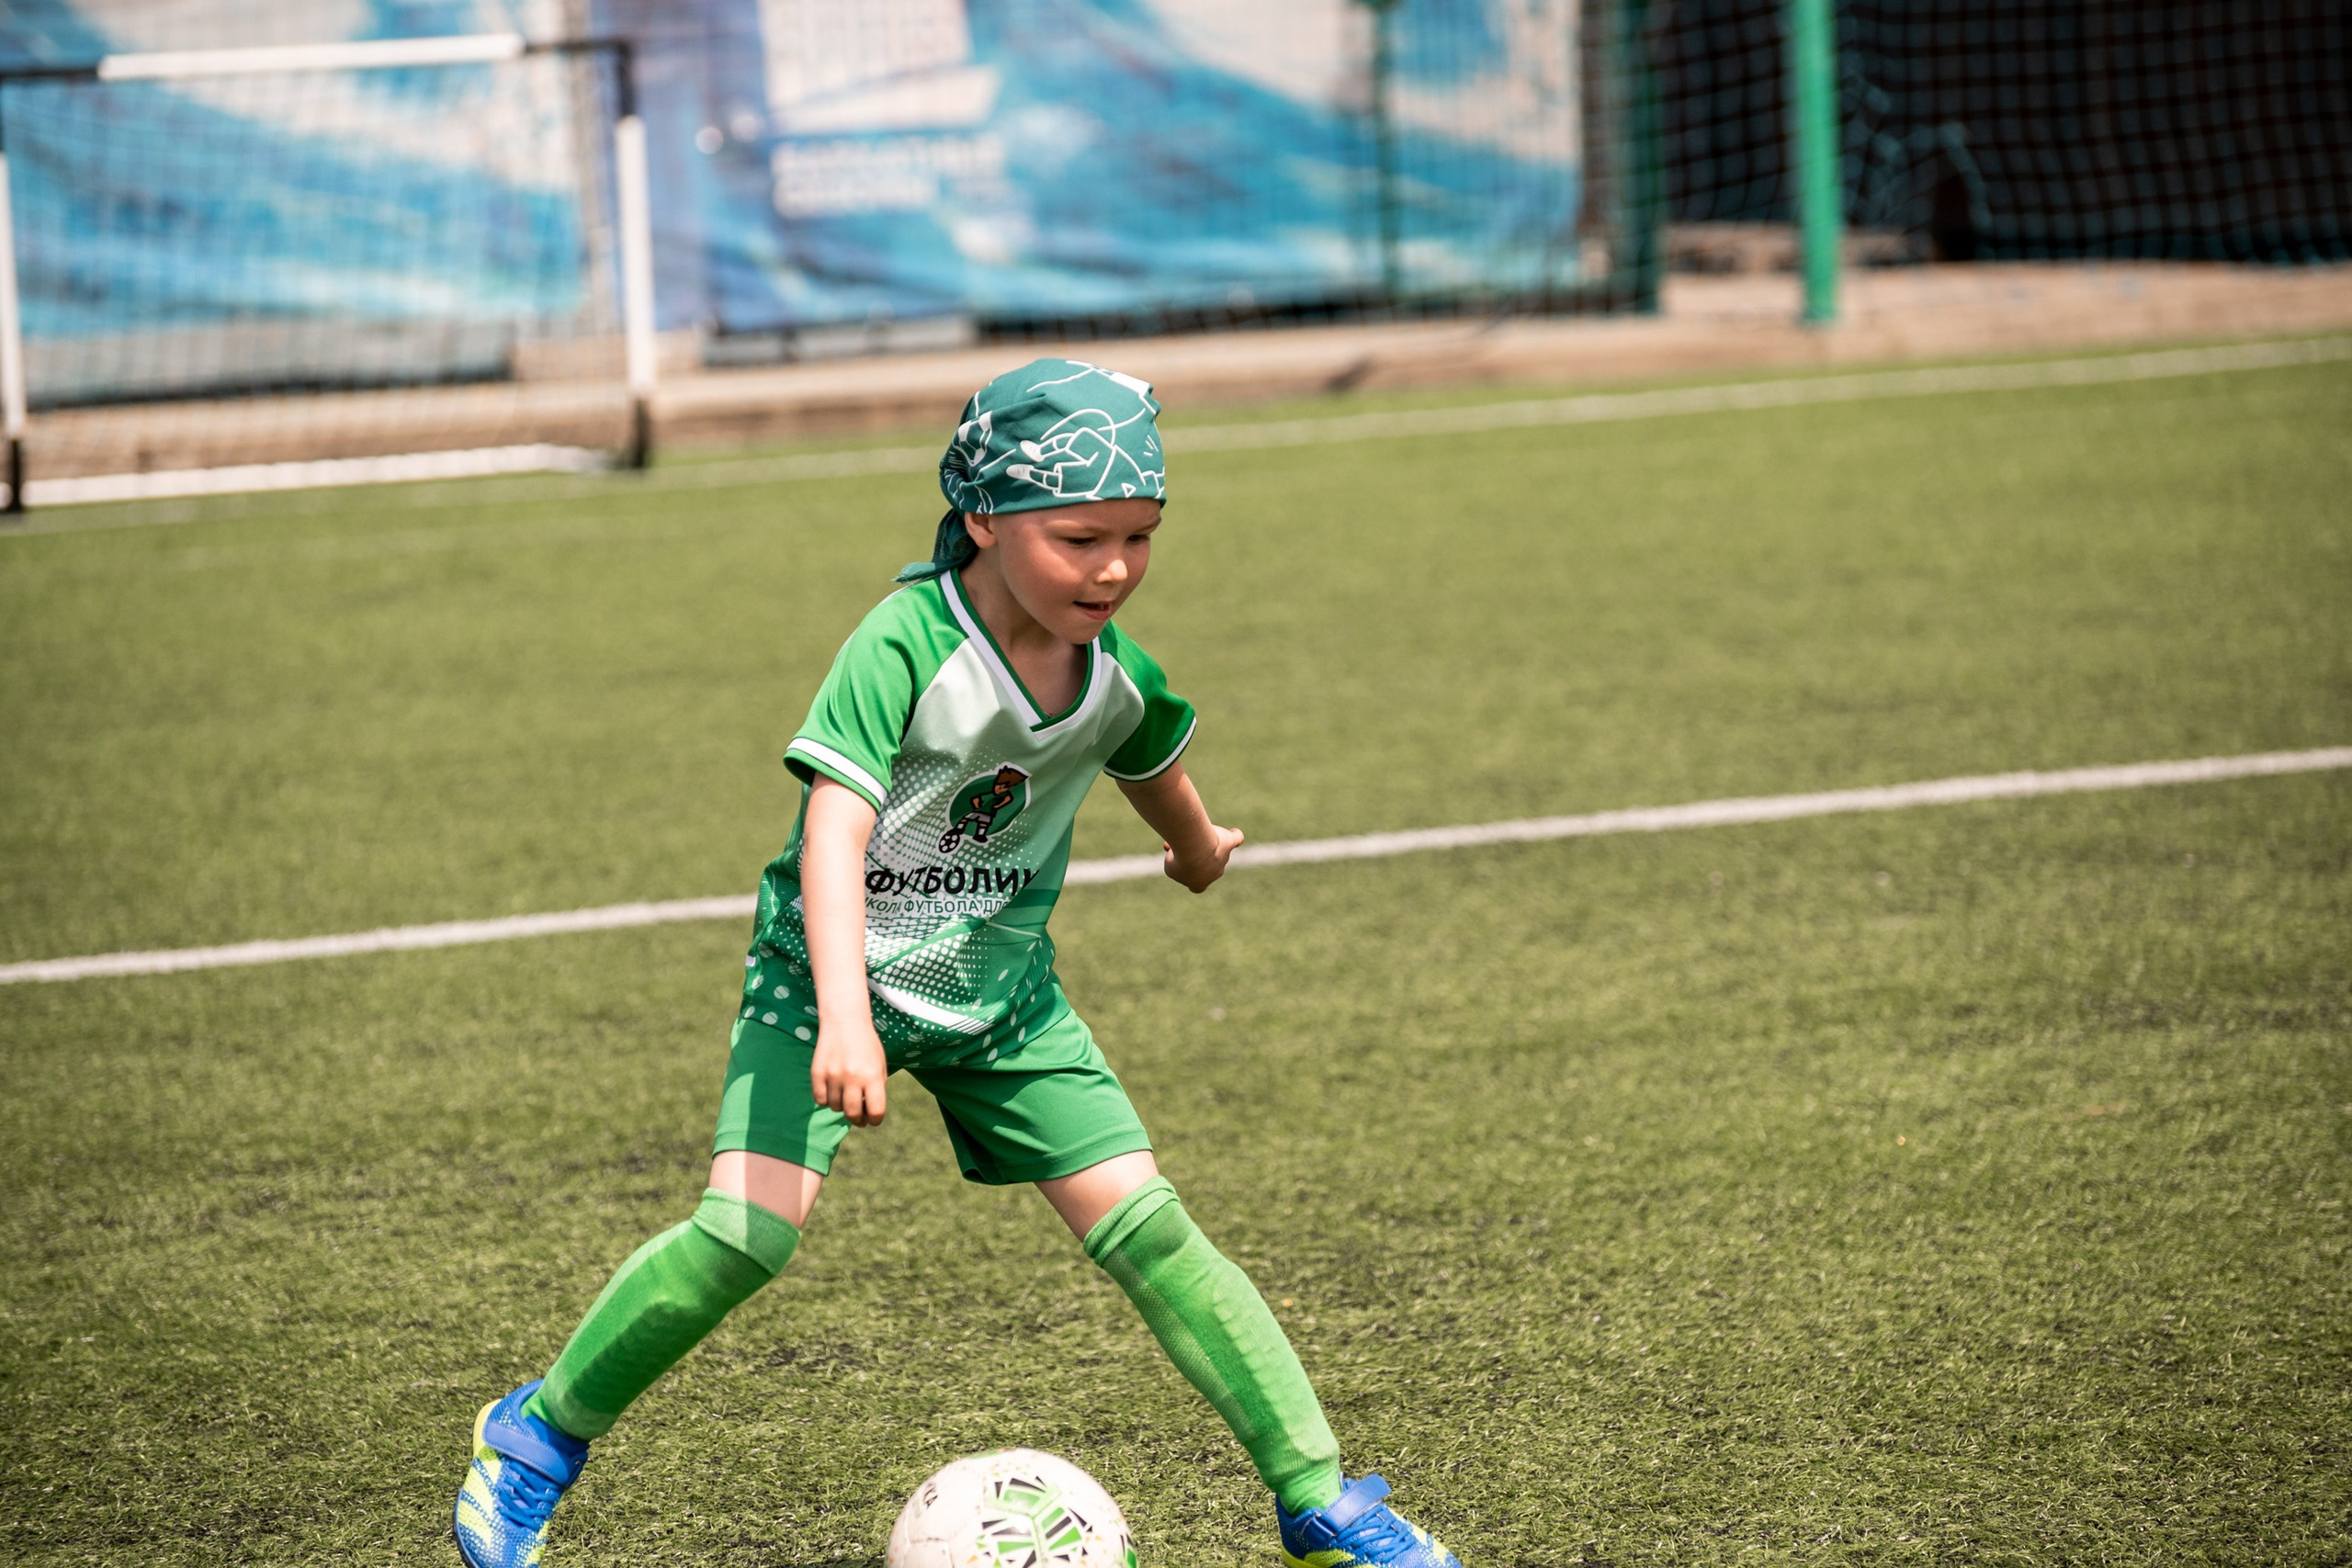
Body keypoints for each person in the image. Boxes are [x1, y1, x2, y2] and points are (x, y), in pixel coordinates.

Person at [452, 359, 1459, 1568]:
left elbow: (1147, 752)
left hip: (1000, 1002)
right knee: (745, 1238)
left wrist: (1197, 847)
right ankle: (534, 1439)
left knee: (1152, 1231)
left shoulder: (1112, 671)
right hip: (824, 981)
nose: (1115, 569)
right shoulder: (907, 641)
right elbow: (835, 830)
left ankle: (1317, 1498)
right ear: (982, 515)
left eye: (1141, 537)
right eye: (1080, 537)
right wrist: (842, 1019)